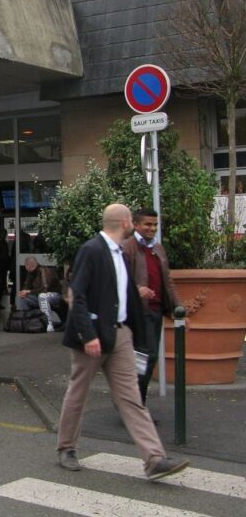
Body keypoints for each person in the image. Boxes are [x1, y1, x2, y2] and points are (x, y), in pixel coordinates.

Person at [56, 204, 188, 481]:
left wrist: (137, 335)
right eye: (133, 220)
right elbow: (76, 295)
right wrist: (88, 335)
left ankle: (154, 459)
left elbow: (126, 297)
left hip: (120, 335)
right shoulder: (91, 250)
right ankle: (66, 448)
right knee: (78, 393)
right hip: (92, 337)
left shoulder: (122, 254)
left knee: (132, 399)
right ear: (126, 222)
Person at [121, 208, 180, 406]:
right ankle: (134, 406)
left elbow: (168, 281)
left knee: (147, 358)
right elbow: (118, 279)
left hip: (155, 311)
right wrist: (137, 289)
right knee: (145, 357)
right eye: (147, 224)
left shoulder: (158, 248)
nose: (152, 228)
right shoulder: (127, 247)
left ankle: (135, 404)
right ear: (136, 225)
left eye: (155, 224)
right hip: (138, 313)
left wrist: (179, 310)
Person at [15, 256, 64, 331]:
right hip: (38, 296)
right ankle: (27, 321)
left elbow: (45, 288)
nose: (25, 267)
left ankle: (48, 324)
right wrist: (23, 292)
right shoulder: (30, 273)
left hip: (55, 295)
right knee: (22, 297)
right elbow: (26, 286)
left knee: (42, 296)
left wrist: (29, 292)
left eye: (26, 265)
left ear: (29, 265)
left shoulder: (43, 270)